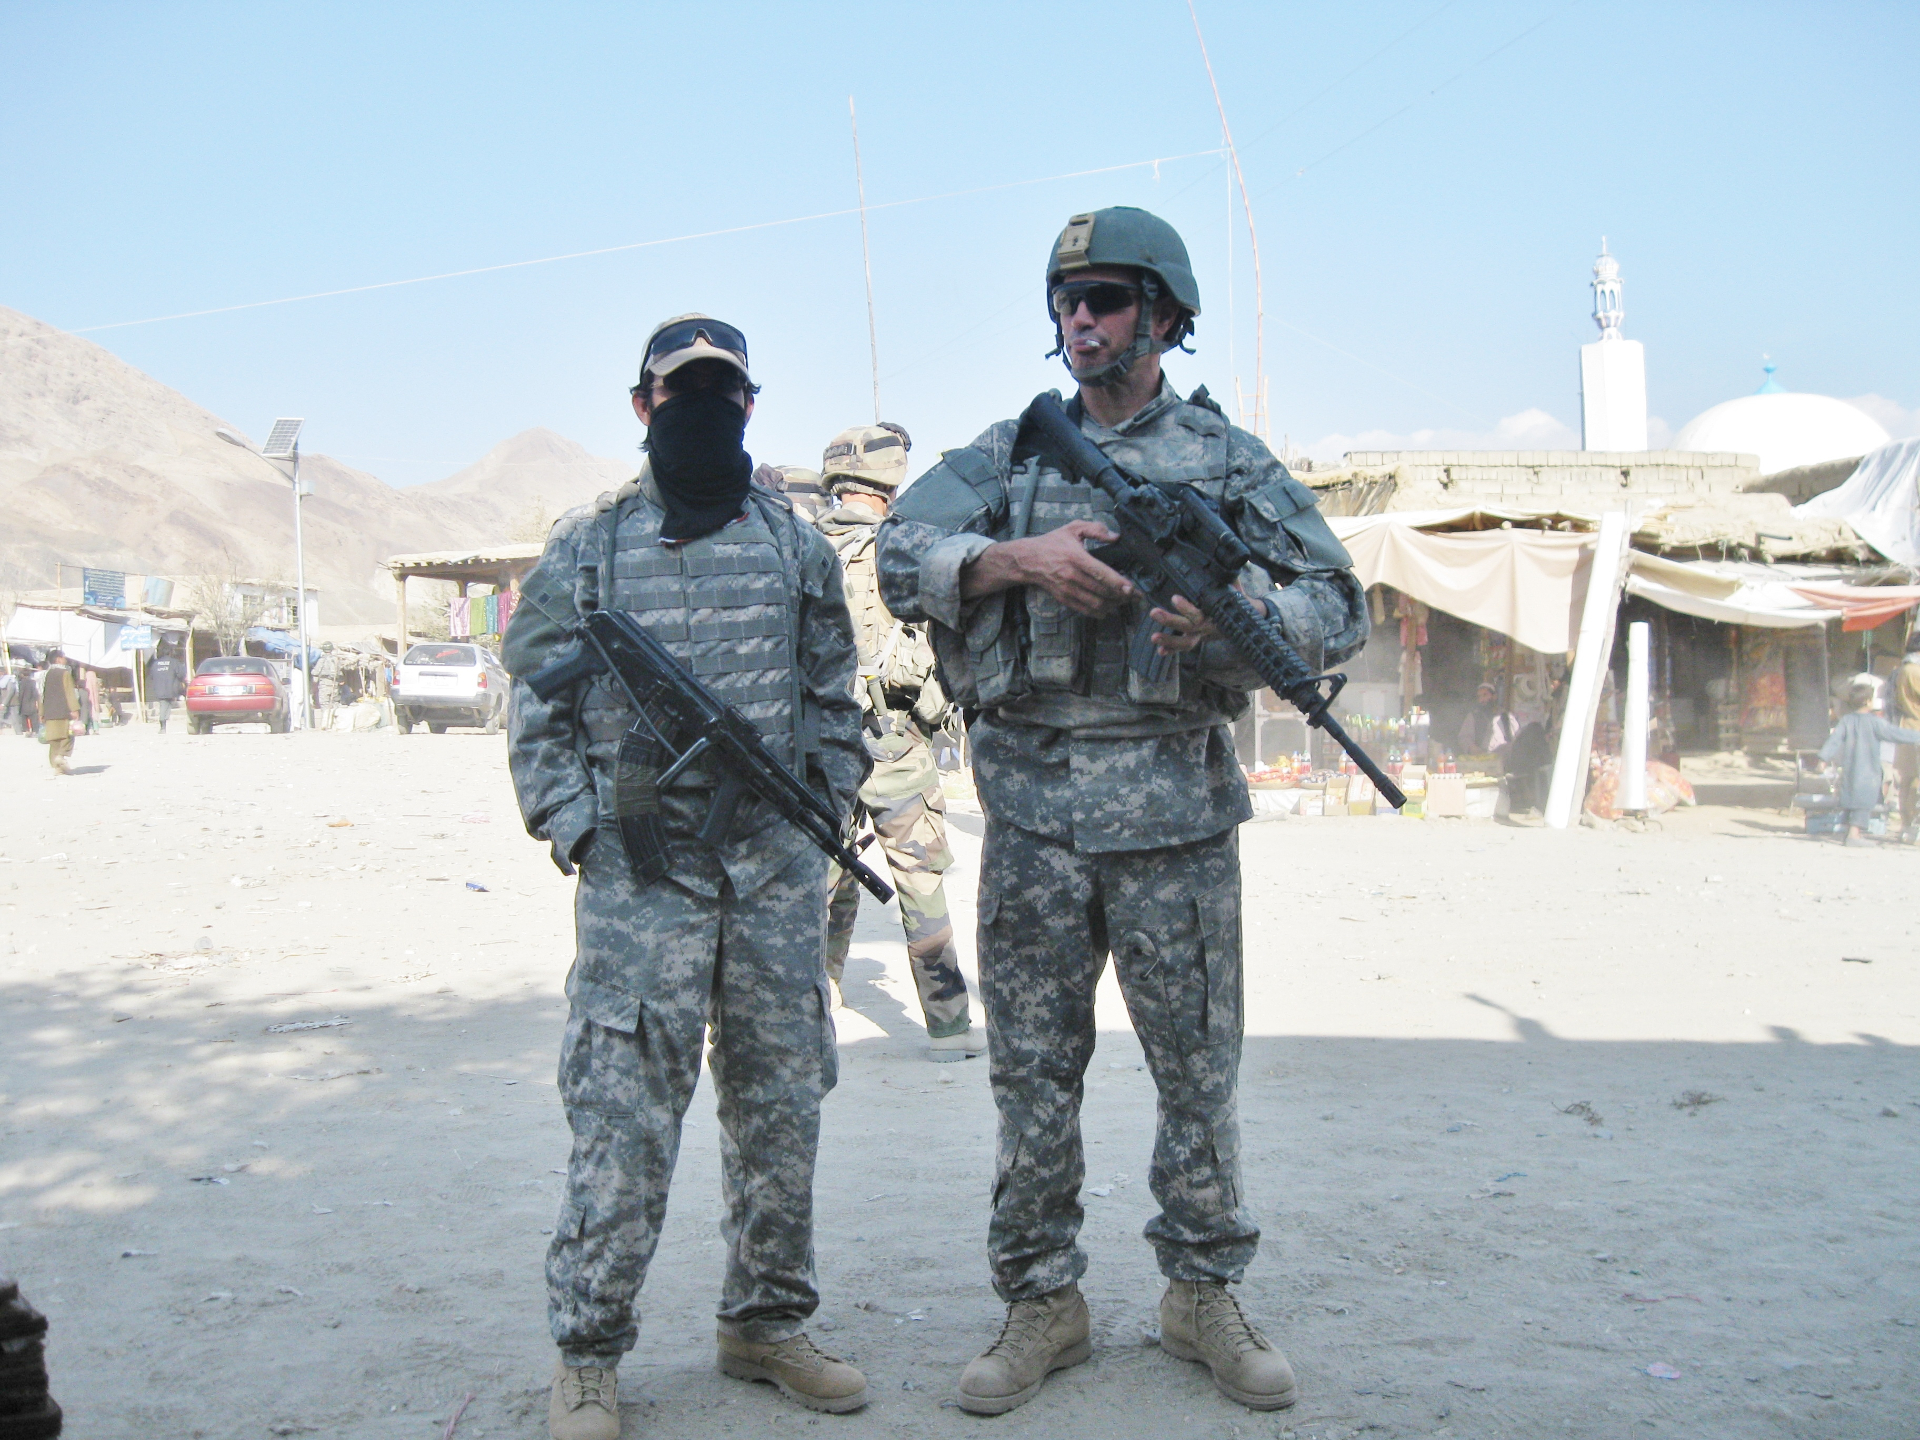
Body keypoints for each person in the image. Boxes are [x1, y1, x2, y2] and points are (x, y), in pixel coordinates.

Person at [875, 207, 1367, 1415]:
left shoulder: (1230, 462)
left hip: (1178, 817)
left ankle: (1202, 1292)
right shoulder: (1006, 457)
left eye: (1102, 299)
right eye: (1064, 303)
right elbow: (900, 551)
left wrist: (1241, 621)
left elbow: (1339, 603)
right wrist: (1015, 560)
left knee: (1197, 1073)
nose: (1078, 321)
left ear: (1164, 314)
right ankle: (1042, 1301)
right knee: (1033, 1077)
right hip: (1034, 818)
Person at [504, 313, 871, 1440]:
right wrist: (576, 824)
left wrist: (823, 812)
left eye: (723, 392)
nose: (702, 410)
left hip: (767, 871)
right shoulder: (591, 545)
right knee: (621, 1114)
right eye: (680, 392)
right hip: (640, 879)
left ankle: (765, 1323)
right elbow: (535, 701)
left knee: (780, 1106)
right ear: (641, 406)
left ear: (751, 406)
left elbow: (833, 695)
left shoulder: (796, 545)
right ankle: (588, 1355)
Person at [815, 422, 986, 1061]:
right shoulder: (905, 551)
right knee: (919, 882)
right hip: (898, 746)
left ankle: (816, 1004)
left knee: (824, 873)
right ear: (891, 483)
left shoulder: (798, 548)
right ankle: (946, 1028)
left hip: (822, 750)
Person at [1817, 680, 1920, 846]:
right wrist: (1917, 736)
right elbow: (1895, 734)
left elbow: (1834, 740)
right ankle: (1853, 835)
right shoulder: (1874, 722)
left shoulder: (1846, 720)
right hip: (1868, 770)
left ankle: (1850, 833)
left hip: (1851, 769)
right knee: (1863, 801)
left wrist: (1823, 759)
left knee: (1851, 799)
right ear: (1867, 702)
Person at [1891, 631, 1920, 842]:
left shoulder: (1902, 668)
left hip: (1906, 727)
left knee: (1908, 779)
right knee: (1914, 781)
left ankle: (1907, 825)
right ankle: (1912, 825)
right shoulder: (1914, 671)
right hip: (1915, 726)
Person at [39, 650, 80, 775]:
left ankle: (57, 767)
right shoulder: (65, 673)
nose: (65, 659)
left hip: (49, 712)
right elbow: (69, 692)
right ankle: (61, 757)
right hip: (63, 711)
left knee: (53, 740)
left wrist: (41, 712)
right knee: (67, 736)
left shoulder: (44, 674)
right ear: (58, 659)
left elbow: (41, 695)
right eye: (63, 657)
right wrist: (74, 708)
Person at [147, 648, 186, 733]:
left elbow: (151, 676)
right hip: (171, 688)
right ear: (171, 654)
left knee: (164, 704)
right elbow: (181, 674)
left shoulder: (155, 664)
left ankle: (163, 723)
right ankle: (162, 723)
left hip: (159, 689)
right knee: (166, 704)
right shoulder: (174, 662)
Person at [312, 642, 341, 731]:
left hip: (324, 684)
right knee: (334, 703)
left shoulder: (322, 660)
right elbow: (339, 673)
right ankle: (335, 724)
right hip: (334, 684)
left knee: (324, 704)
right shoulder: (336, 660)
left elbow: (315, 672)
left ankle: (326, 724)